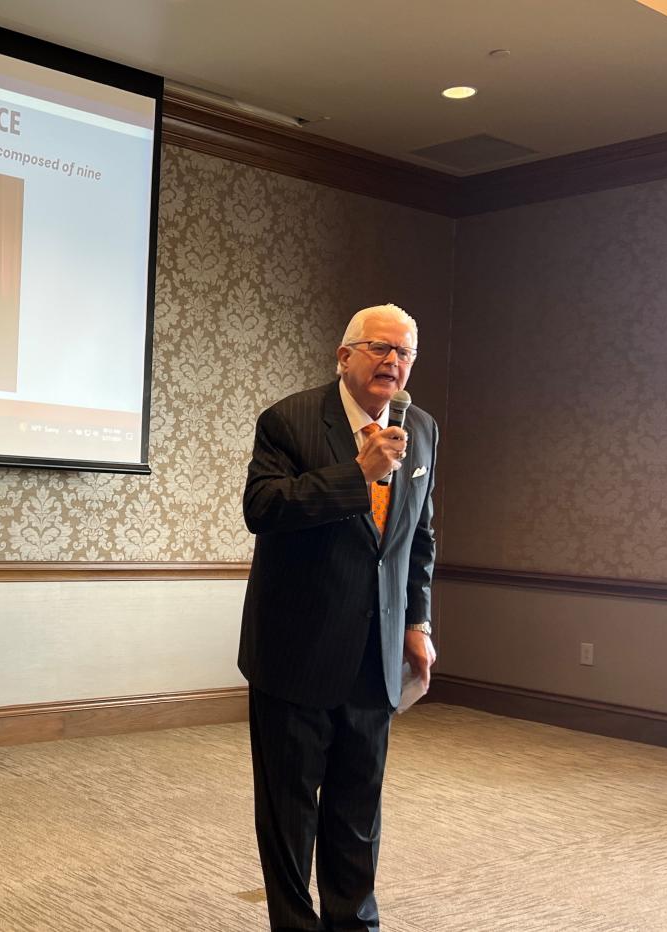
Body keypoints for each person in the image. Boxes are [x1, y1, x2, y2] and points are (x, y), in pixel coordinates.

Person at [238, 303, 437, 932]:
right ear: (344, 355)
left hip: (374, 654)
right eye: (380, 348)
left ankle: (354, 924)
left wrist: (417, 623)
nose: (393, 362)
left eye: (404, 353)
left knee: (357, 808)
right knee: (290, 813)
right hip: (296, 650)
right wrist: (359, 473)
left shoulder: (422, 429)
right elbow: (264, 509)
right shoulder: (289, 421)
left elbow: (418, 537)